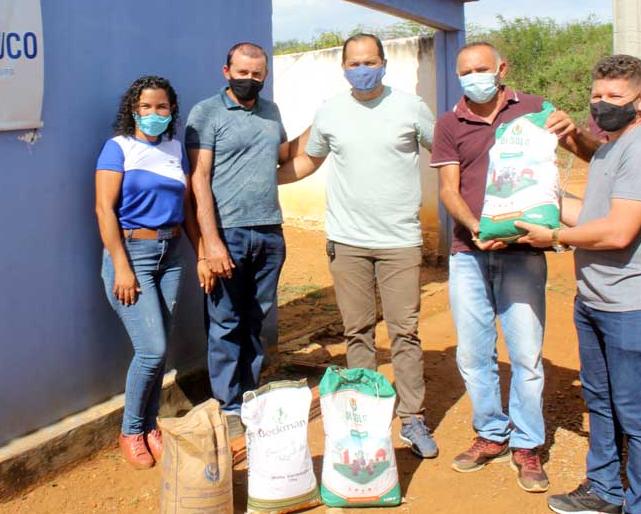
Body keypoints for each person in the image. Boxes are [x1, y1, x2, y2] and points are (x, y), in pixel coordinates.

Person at [430, 41, 600, 493]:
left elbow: (592, 156)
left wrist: (572, 133)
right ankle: (490, 433)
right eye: (465, 71)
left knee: (526, 356)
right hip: (469, 253)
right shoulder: (450, 123)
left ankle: (526, 444)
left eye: (482, 69)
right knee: (472, 354)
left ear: (501, 68)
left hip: (524, 251)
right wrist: (472, 226)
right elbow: (448, 189)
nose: (473, 77)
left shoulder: (536, 110)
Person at [515, 55, 641, 514]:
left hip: (632, 303)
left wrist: (553, 236)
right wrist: (531, 200)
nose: (604, 104)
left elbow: (617, 232)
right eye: (597, 97)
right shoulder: (610, 147)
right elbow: (592, 213)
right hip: (595, 298)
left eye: (616, 97)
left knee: (637, 414)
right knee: (601, 401)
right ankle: (604, 490)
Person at [277, 33, 439, 458]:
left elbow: (444, 150)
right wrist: (259, 178)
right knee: (357, 332)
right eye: (354, 62)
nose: (363, 68)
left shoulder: (410, 107)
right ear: (344, 67)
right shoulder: (331, 112)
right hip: (347, 242)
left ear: (384, 63)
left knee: (405, 332)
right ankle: (365, 414)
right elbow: (307, 160)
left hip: (400, 241)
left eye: (370, 61)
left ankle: (412, 418)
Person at [95, 75, 210, 469]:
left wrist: (200, 253)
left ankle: (149, 425)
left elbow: (189, 208)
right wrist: (122, 267)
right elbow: (103, 210)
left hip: (171, 255)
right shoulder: (118, 148)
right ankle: (131, 431)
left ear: (172, 111)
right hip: (132, 255)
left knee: (157, 351)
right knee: (152, 350)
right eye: (146, 107)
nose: (154, 114)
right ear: (133, 109)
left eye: (162, 107)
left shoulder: (176, 150)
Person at [185, 42, 289, 438]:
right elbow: (198, 179)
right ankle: (228, 406)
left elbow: (282, 159)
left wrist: (326, 133)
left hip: (269, 233)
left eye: (257, 73)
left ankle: (252, 397)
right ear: (226, 70)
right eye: (242, 72)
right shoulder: (206, 112)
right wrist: (210, 242)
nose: (249, 80)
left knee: (256, 321)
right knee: (225, 322)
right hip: (226, 234)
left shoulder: (272, 112)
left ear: (265, 74)